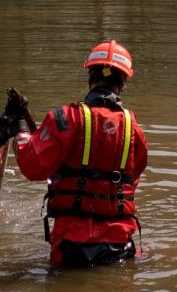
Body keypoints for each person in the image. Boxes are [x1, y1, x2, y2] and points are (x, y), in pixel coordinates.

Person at [10, 40, 149, 267]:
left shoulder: (64, 118)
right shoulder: (132, 127)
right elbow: (133, 176)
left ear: (90, 76)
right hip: (120, 243)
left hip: (71, 243)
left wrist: (20, 129)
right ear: (123, 81)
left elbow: (32, 166)